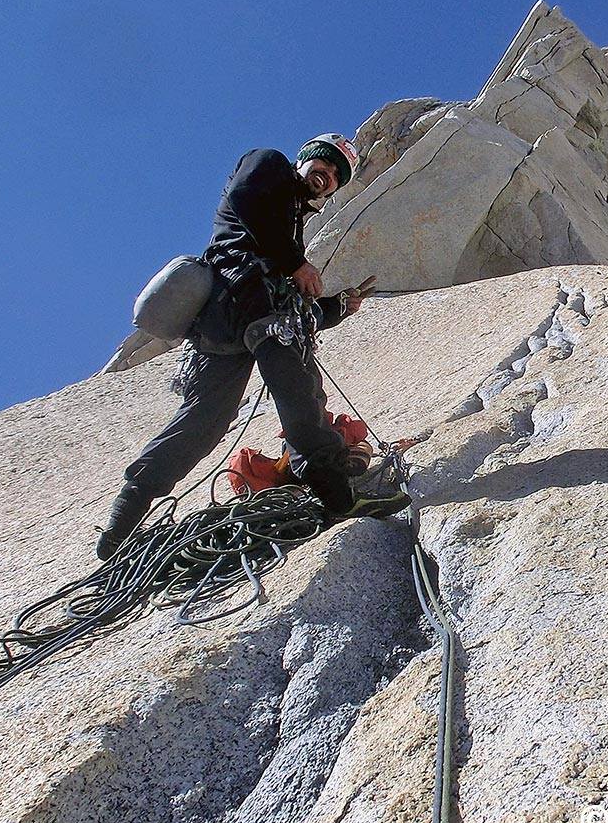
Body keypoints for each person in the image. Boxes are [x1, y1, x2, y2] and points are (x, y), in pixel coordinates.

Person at [96, 134, 409, 559]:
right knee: (300, 397)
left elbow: (291, 299)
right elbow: (246, 201)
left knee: (203, 422)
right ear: (304, 160)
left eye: (338, 175)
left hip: (225, 325)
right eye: (325, 164)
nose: (328, 175)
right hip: (253, 309)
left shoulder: (287, 227)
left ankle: (121, 524)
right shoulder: (268, 165)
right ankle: (339, 497)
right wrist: (295, 263)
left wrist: (337, 306)